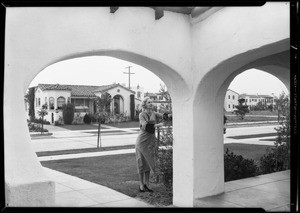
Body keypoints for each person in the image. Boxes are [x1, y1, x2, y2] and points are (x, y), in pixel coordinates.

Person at [135, 97, 167, 192]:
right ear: (145, 104)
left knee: (149, 162)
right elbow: (145, 126)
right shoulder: (142, 114)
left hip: (150, 141)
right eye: (149, 102)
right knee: (141, 163)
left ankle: (147, 184)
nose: (151, 103)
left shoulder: (154, 113)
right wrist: (158, 125)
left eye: (151, 102)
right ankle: (141, 184)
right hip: (141, 141)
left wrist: (170, 115)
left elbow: (164, 116)